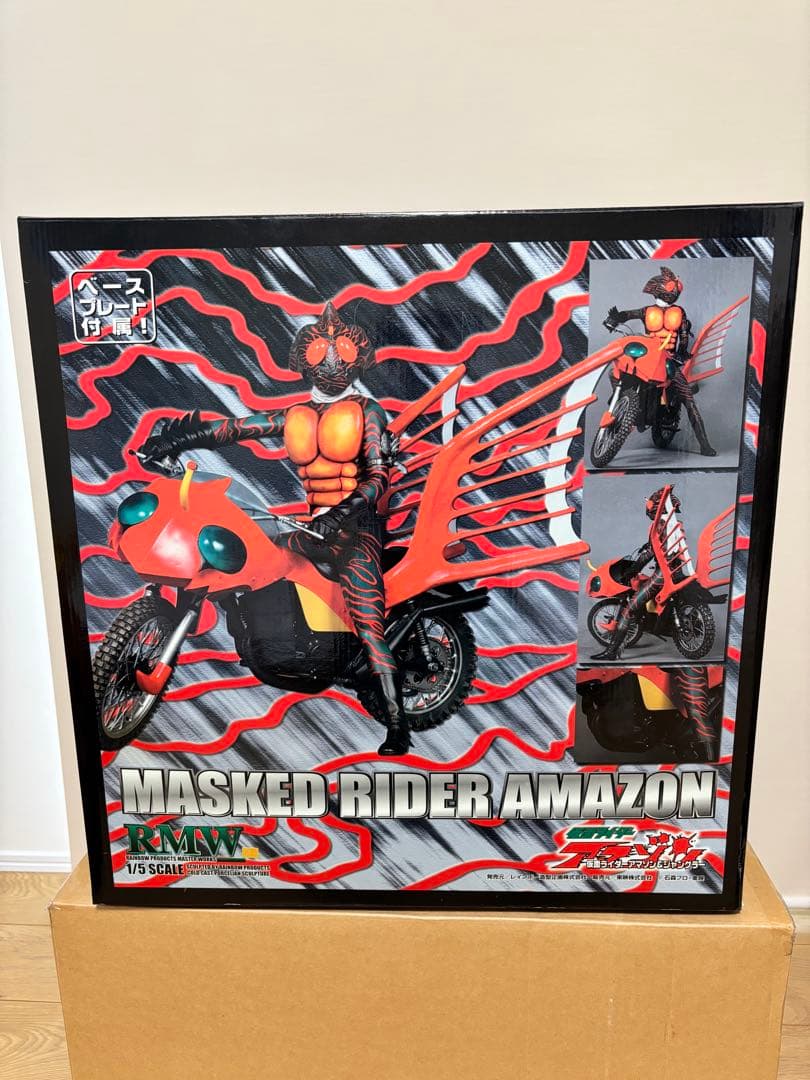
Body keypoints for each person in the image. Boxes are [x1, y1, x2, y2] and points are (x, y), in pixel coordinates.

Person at [137, 303, 409, 756]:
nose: (331, 361)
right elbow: (235, 429)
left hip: (356, 530)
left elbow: (379, 477)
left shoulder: (369, 412)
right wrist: (175, 441)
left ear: (358, 355)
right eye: (321, 351)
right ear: (305, 357)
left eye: (341, 350)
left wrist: (341, 515)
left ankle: (397, 724)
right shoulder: (295, 415)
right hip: (312, 526)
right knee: (251, 559)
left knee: (369, 621)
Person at [604, 266, 717, 456]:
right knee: (615, 372)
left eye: (675, 287)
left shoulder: (679, 313)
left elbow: (683, 334)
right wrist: (615, 318)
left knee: (688, 399)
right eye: (672, 287)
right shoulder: (647, 311)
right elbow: (628, 315)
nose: (675, 291)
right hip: (648, 357)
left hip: (668, 359)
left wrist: (681, 352)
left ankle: (704, 444)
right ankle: (623, 405)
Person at [591, 486, 676, 662]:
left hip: (663, 575)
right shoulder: (673, 524)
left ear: (655, 507)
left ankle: (612, 652)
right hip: (678, 571)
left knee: (629, 610)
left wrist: (633, 570)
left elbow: (649, 554)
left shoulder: (658, 526)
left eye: (650, 505)